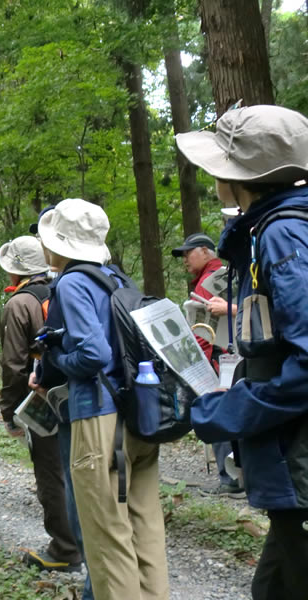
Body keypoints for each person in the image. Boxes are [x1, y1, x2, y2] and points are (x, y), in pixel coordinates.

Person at [176, 104, 308, 599]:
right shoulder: (280, 227)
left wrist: (233, 410)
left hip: (299, 456)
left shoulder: (282, 234)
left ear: (240, 177)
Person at [30, 198, 170, 599]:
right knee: (145, 529)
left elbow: (94, 353)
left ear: (58, 244)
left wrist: (55, 357)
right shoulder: (117, 279)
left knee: (107, 539)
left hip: (99, 421)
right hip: (138, 415)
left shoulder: (72, 282)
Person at [0, 236, 85, 576]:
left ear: (14, 270)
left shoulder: (19, 304)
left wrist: (11, 412)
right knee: (77, 469)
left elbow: (14, 366)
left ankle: (64, 548)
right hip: (80, 393)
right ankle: (86, 540)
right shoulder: (63, 289)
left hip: (45, 397)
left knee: (51, 474)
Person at [172, 233, 244, 498]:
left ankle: (230, 480)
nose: (184, 261)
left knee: (218, 415)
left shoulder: (210, 281)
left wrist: (196, 368)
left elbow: (202, 335)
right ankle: (240, 476)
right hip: (236, 359)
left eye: (188, 253)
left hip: (218, 362)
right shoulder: (228, 274)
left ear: (205, 251)